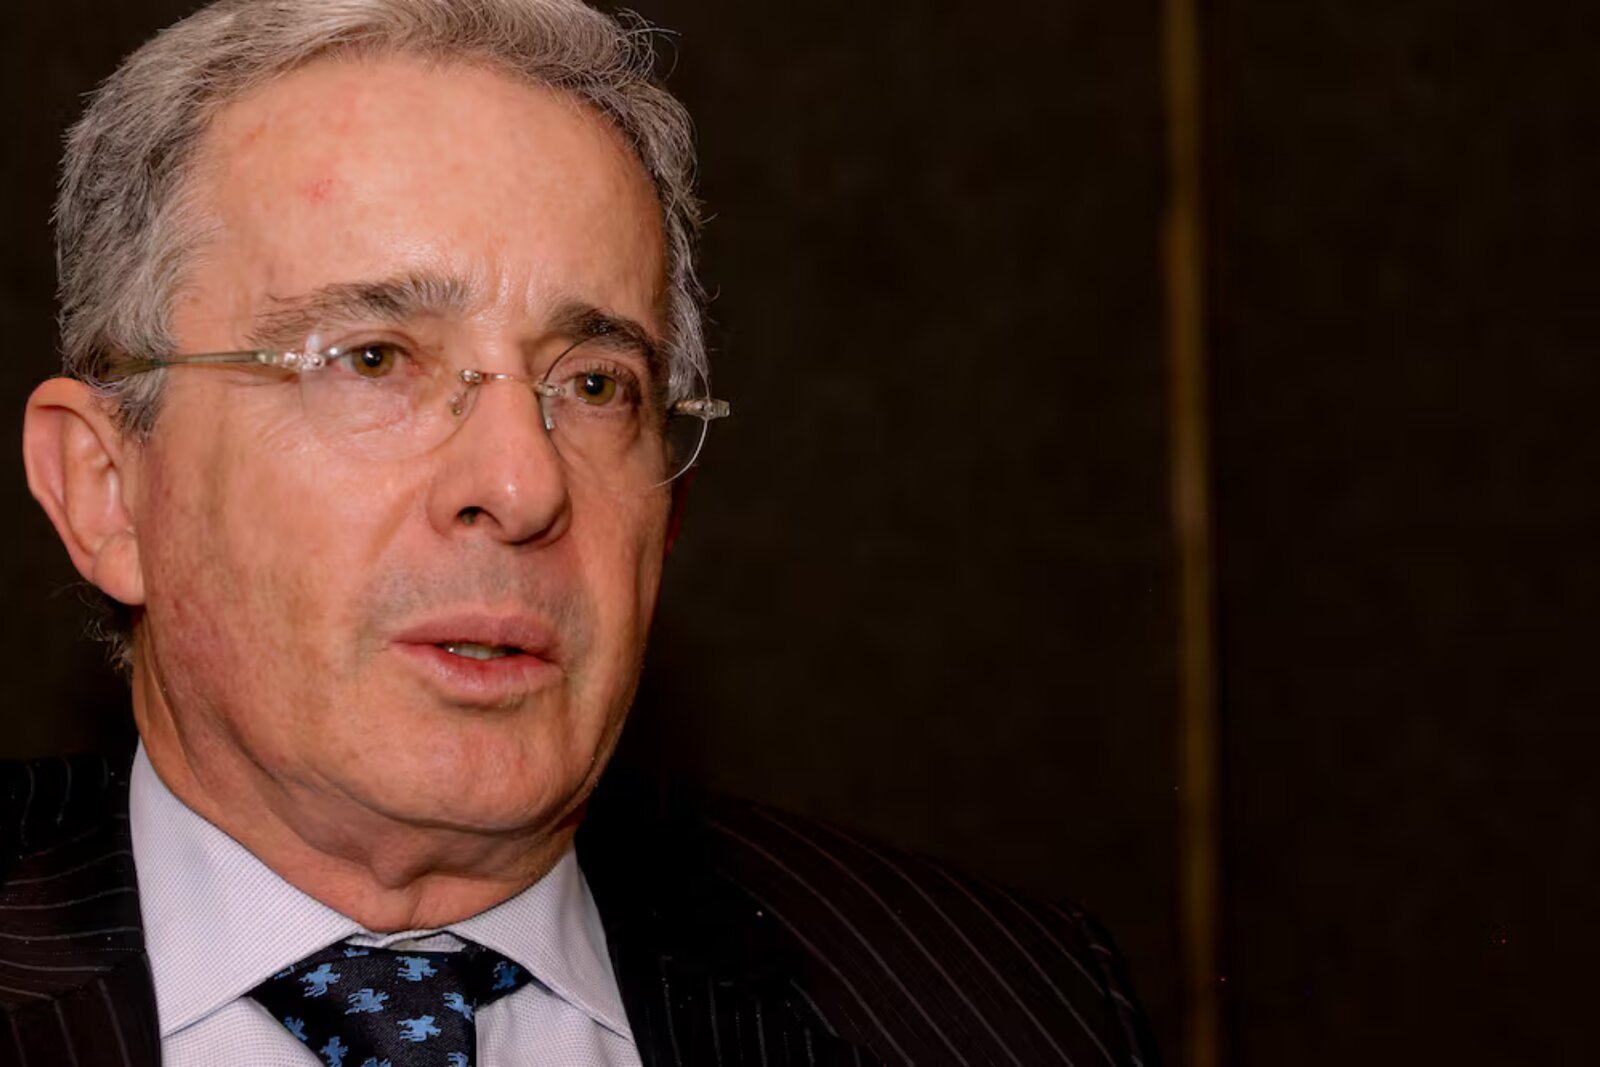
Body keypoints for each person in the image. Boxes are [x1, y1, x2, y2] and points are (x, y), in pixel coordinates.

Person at [2, 1, 1158, 1064]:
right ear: (107, 488)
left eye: (596, 383)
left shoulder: (1008, 1010)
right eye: (374, 358)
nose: (522, 485)